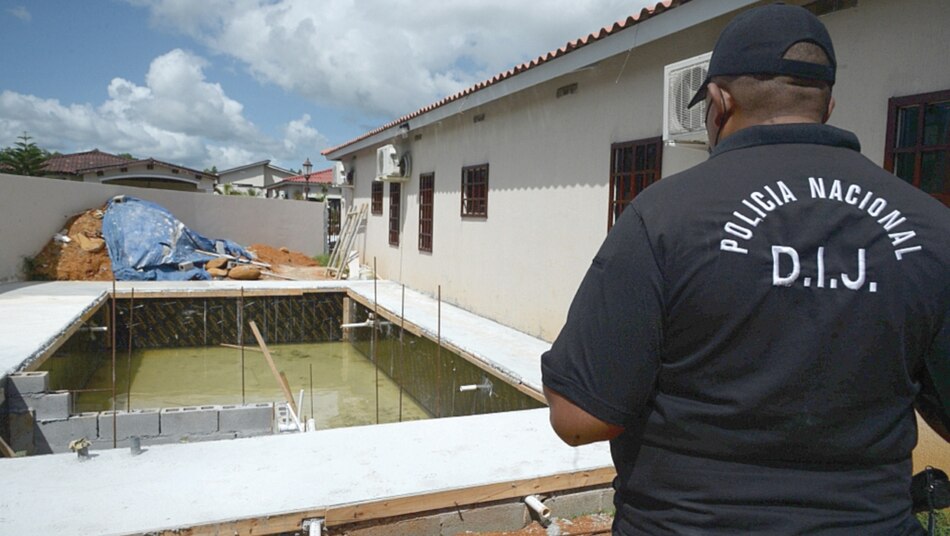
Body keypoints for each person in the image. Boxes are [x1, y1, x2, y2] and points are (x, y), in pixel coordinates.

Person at [541, 3, 950, 535]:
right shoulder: (930, 227)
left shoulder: (663, 217)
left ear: (719, 100)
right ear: (827, 106)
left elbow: (581, 420)